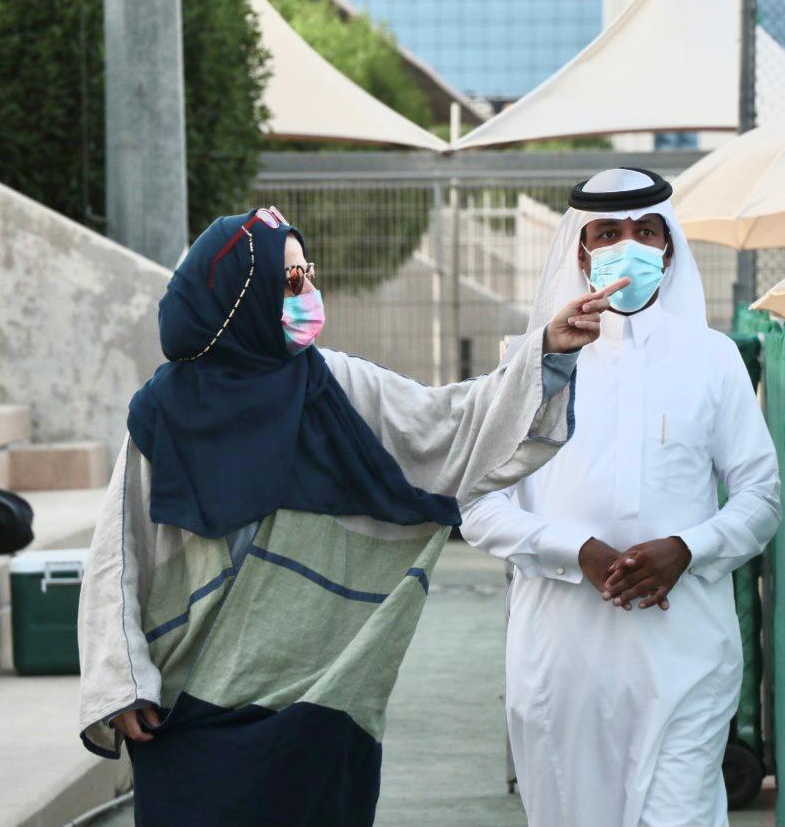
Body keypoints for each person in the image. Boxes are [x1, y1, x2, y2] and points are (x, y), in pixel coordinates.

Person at [76, 207, 626, 827]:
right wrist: (122, 681)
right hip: (188, 714)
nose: (309, 291)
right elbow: (116, 555)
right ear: (238, 300)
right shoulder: (162, 417)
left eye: (308, 272)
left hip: (319, 705)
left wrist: (545, 352)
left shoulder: (336, 386)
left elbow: (449, 424)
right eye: (291, 280)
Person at [461, 168, 781, 827]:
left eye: (645, 231)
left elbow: (761, 497)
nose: (628, 245)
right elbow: (478, 507)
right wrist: (574, 550)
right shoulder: (531, 364)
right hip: (563, 659)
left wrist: (687, 549)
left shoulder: (713, 359)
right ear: (582, 253)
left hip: (685, 649)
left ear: (669, 247)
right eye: (608, 233)